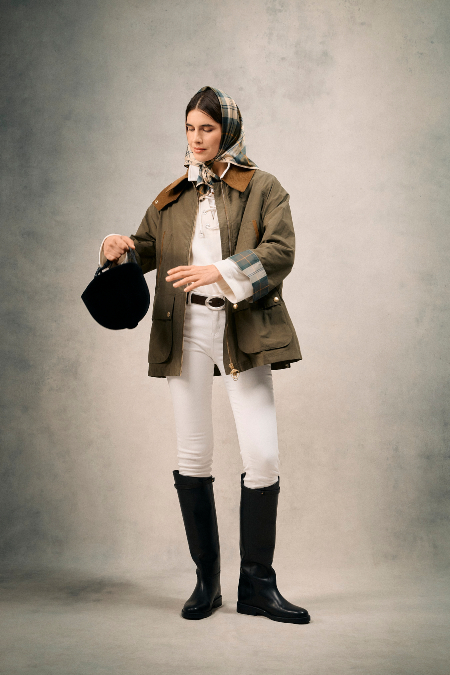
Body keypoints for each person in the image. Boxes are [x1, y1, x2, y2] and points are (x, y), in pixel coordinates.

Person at [99, 86, 310, 624]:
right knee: (193, 454)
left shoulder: (264, 187)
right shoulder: (171, 197)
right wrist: (116, 249)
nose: (196, 139)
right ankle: (206, 581)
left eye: (207, 129)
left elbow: (280, 252)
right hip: (184, 327)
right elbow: (146, 250)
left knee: (261, 455)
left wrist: (220, 271)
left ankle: (258, 585)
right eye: (191, 128)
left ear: (228, 131)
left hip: (243, 326)